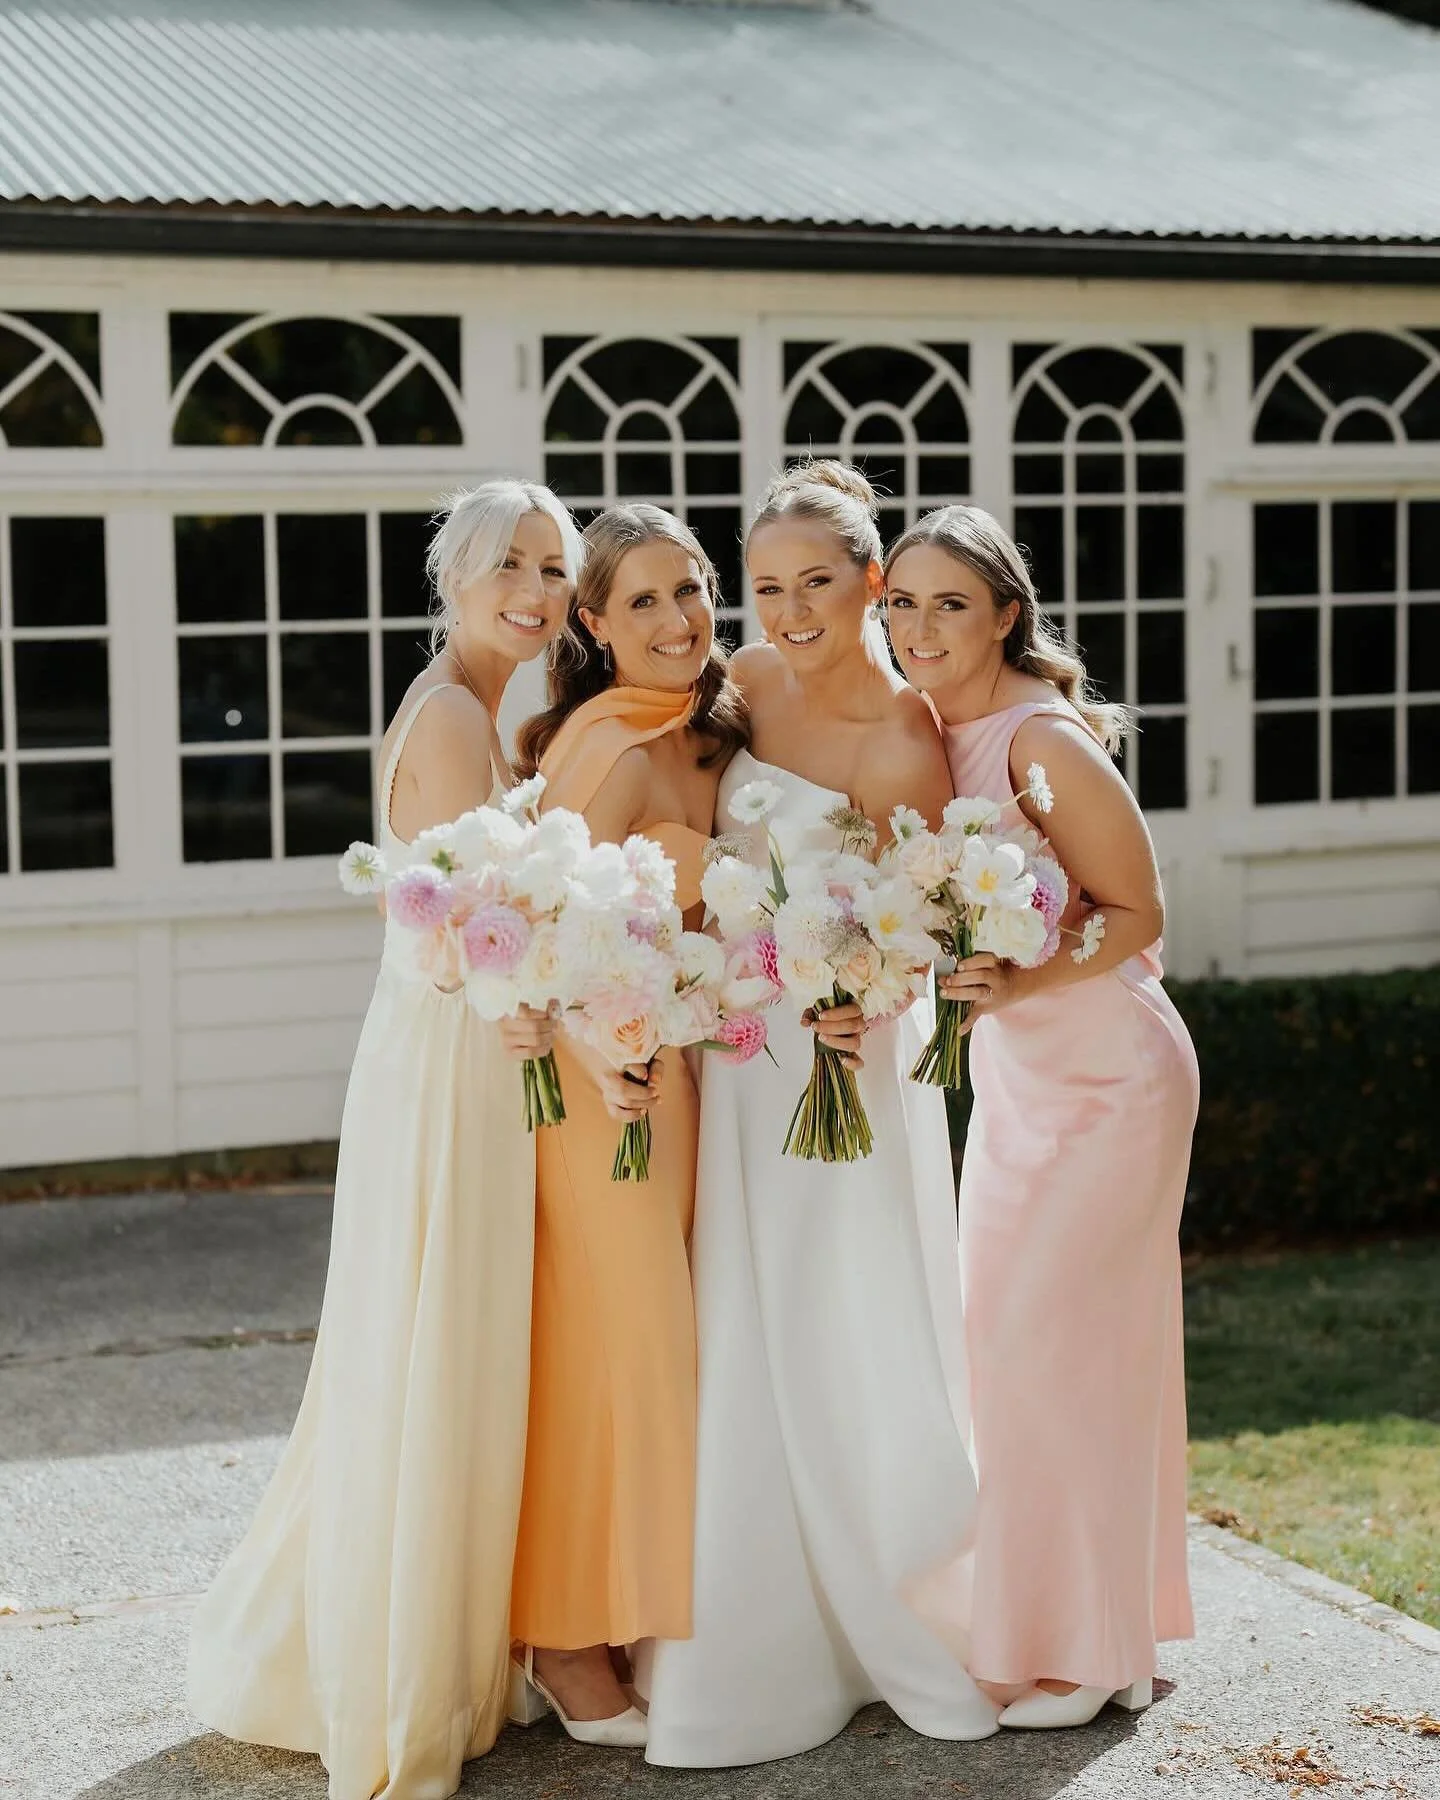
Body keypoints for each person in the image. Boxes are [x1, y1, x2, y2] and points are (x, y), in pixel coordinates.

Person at [186, 480, 583, 1800]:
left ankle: (451, 1636)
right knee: (440, 1338)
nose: (534, 590)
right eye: (509, 566)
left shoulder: (480, 709)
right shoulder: (462, 718)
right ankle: (408, 1671)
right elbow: (450, 933)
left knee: (443, 1338)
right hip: (458, 1062)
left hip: (455, 1048)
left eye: (552, 568)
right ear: (456, 577)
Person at [643, 462, 1000, 1768]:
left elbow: (924, 902)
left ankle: (884, 1601)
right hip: (740, 1047)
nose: (787, 611)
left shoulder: (907, 729)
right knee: (742, 1307)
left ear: (871, 584)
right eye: (768, 584)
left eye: (817, 583)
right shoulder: (735, 681)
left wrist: (877, 991)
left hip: (843, 1056)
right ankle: (746, 1621)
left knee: (845, 1310)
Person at [884, 503, 1198, 1730]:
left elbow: (1137, 910)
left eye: (948, 604)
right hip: (1021, 1085)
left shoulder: (1039, 741)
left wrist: (1017, 979)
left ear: (1005, 614)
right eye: (900, 603)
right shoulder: (931, 732)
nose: (918, 628)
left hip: (1111, 1079)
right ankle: (1103, 1637)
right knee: (1029, 1356)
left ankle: (1078, 1650)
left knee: (1050, 1346)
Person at [507, 505, 748, 1747]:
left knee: (664, 1355)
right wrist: (608, 1058)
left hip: (683, 1077)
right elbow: (541, 937)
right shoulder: (603, 746)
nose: (679, 619)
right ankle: (561, 1635)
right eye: (643, 601)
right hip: (608, 1096)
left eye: (694, 588)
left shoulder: (710, 728)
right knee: (617, 1351)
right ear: (592, 625)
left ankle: (634, 1611)